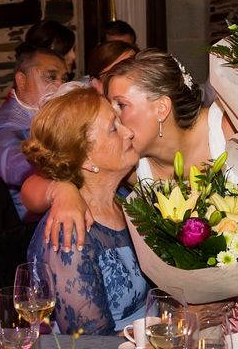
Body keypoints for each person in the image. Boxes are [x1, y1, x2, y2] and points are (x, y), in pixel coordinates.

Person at [22, 49, 238, 349]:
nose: (120, 121)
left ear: (161, 108)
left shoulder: (228, 124)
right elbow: (45, 173)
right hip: (200, 313)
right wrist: (60, 190)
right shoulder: (132, 168)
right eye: (112, 115)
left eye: (121, 106)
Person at [24, 87, 148, 335]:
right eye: (114, 128)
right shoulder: (69, 231)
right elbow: (89, 340)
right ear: (85, 160)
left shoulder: (126, 199)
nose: (129, 132)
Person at [0, 45, 67, 221]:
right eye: (51, 76)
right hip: (32, 228)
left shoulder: (41, 114)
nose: (60, 85)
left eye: (63, 78)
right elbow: (15, 168)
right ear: (22, 80)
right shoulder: (8, 126)